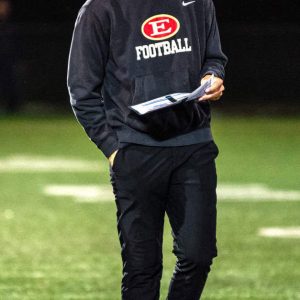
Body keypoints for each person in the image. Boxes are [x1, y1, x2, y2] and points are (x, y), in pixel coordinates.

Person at [67, 0, 227, 298]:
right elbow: (81, 90)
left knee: (198, 256)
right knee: (142, 268)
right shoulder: (100, 8)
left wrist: (213, 76)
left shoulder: (198, 1)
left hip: (194, 144)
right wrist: (113, 149)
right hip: (135, 152)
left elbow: (214, 57)